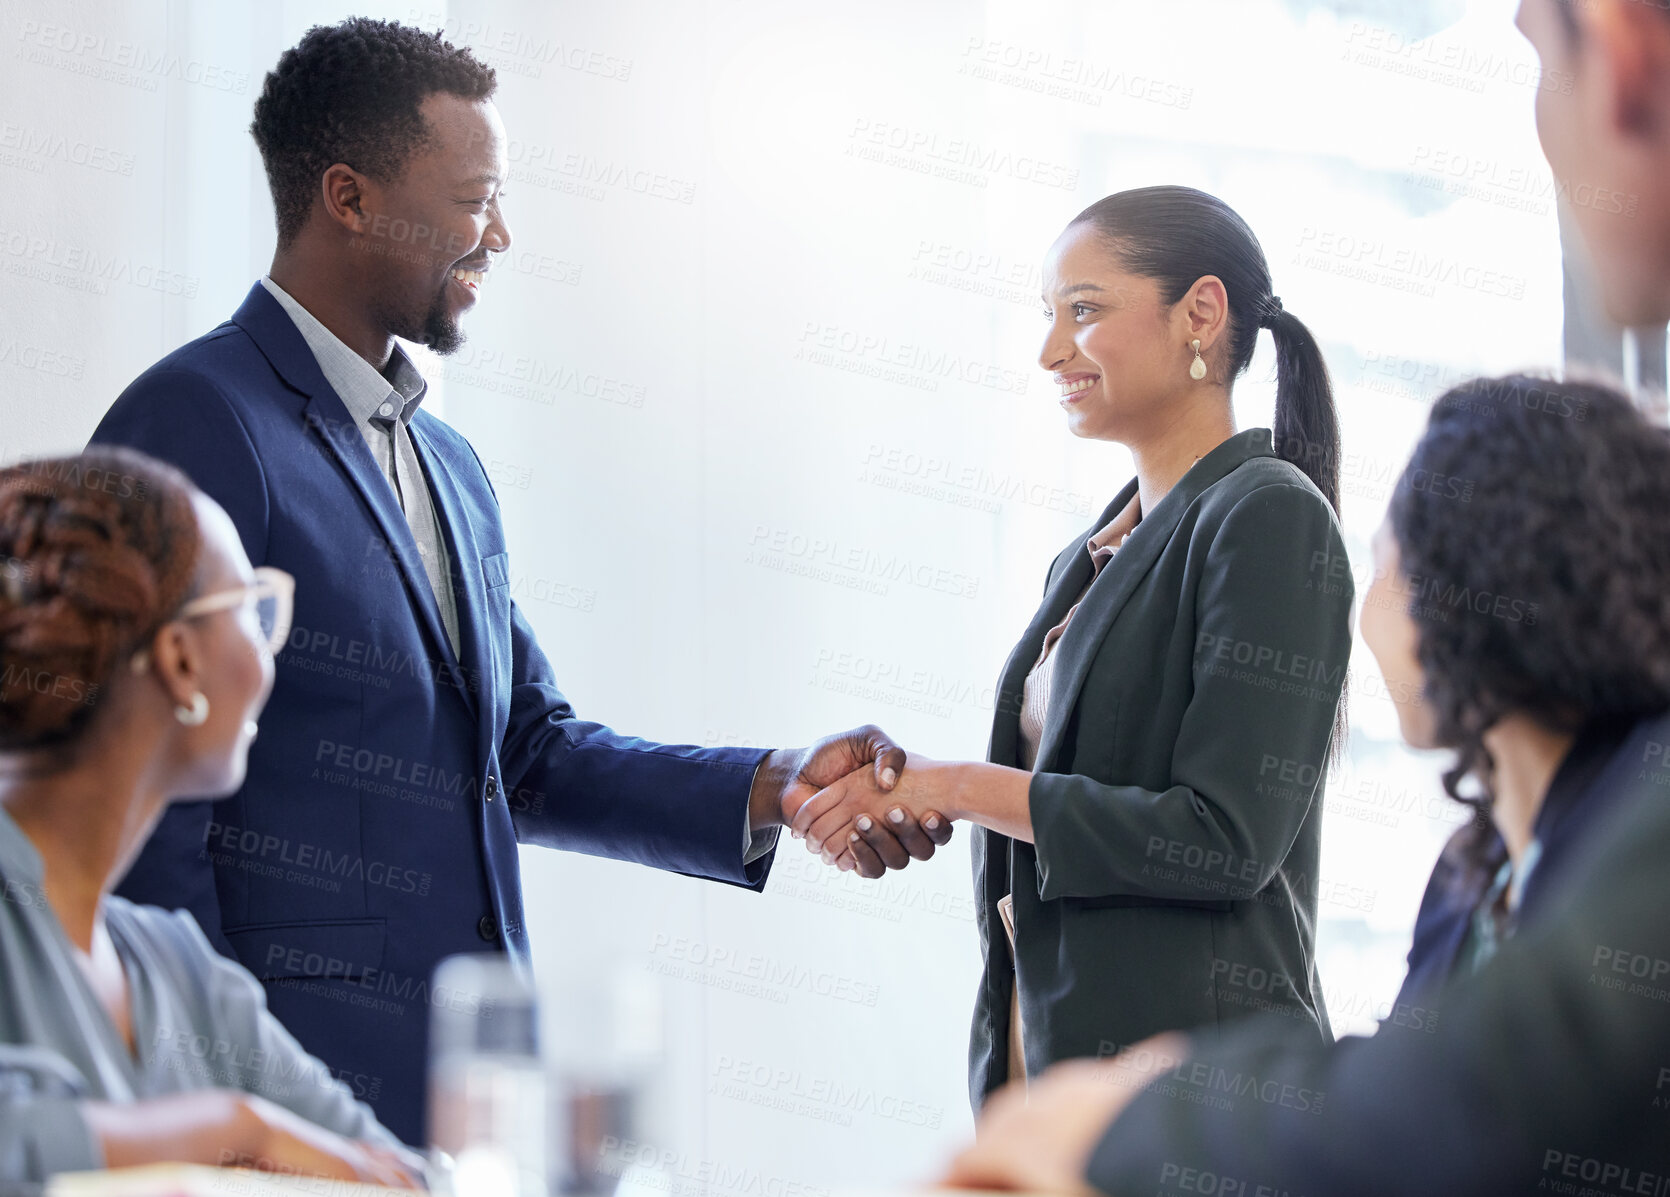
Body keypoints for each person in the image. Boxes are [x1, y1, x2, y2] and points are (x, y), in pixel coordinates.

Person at [86, 18, 945, 1147]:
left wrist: (774, 784)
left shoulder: (450, 465)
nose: (499, 234)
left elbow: (523, 753)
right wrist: (209, 1103)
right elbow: (131, 806)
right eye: (473, 197)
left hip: (465, 1098)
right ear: (348, 198)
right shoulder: (194, 421)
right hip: (279, 1099)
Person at [947, 372, 1670, 1194]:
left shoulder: (1647, 821)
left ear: (1479, 585)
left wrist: (1139, 1108)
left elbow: (1472, 1092)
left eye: (1385, 566)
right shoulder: (1471, 882)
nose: (1365, 618)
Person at [792, 186, 1354, 1105]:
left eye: (1083, 310)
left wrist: (959, 787)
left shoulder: (1269, 514)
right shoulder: (1088, 556)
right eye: (1049, 314)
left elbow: (1223, 840)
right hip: (1055, 1070)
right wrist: (911, 799)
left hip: (1202, 1103)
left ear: (1199, 314)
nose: (1051, 350)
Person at [0, 448, 422, 1190]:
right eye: (250, 612)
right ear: (181, 662)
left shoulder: (180, 970)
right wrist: (229, 1130)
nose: (267, 654)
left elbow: (397, 1176)